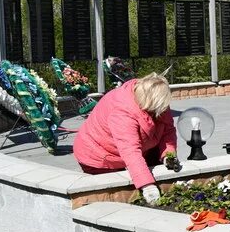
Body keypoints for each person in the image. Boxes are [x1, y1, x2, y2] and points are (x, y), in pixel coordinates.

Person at [74, 73, 181, 206]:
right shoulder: (123, 111)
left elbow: (167, 129)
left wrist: (168, 154)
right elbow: (130, 151)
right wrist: (148, 186)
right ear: (149, 102)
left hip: (140, 145)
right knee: (117, 196)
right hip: (99, 154)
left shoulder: (156, 96)